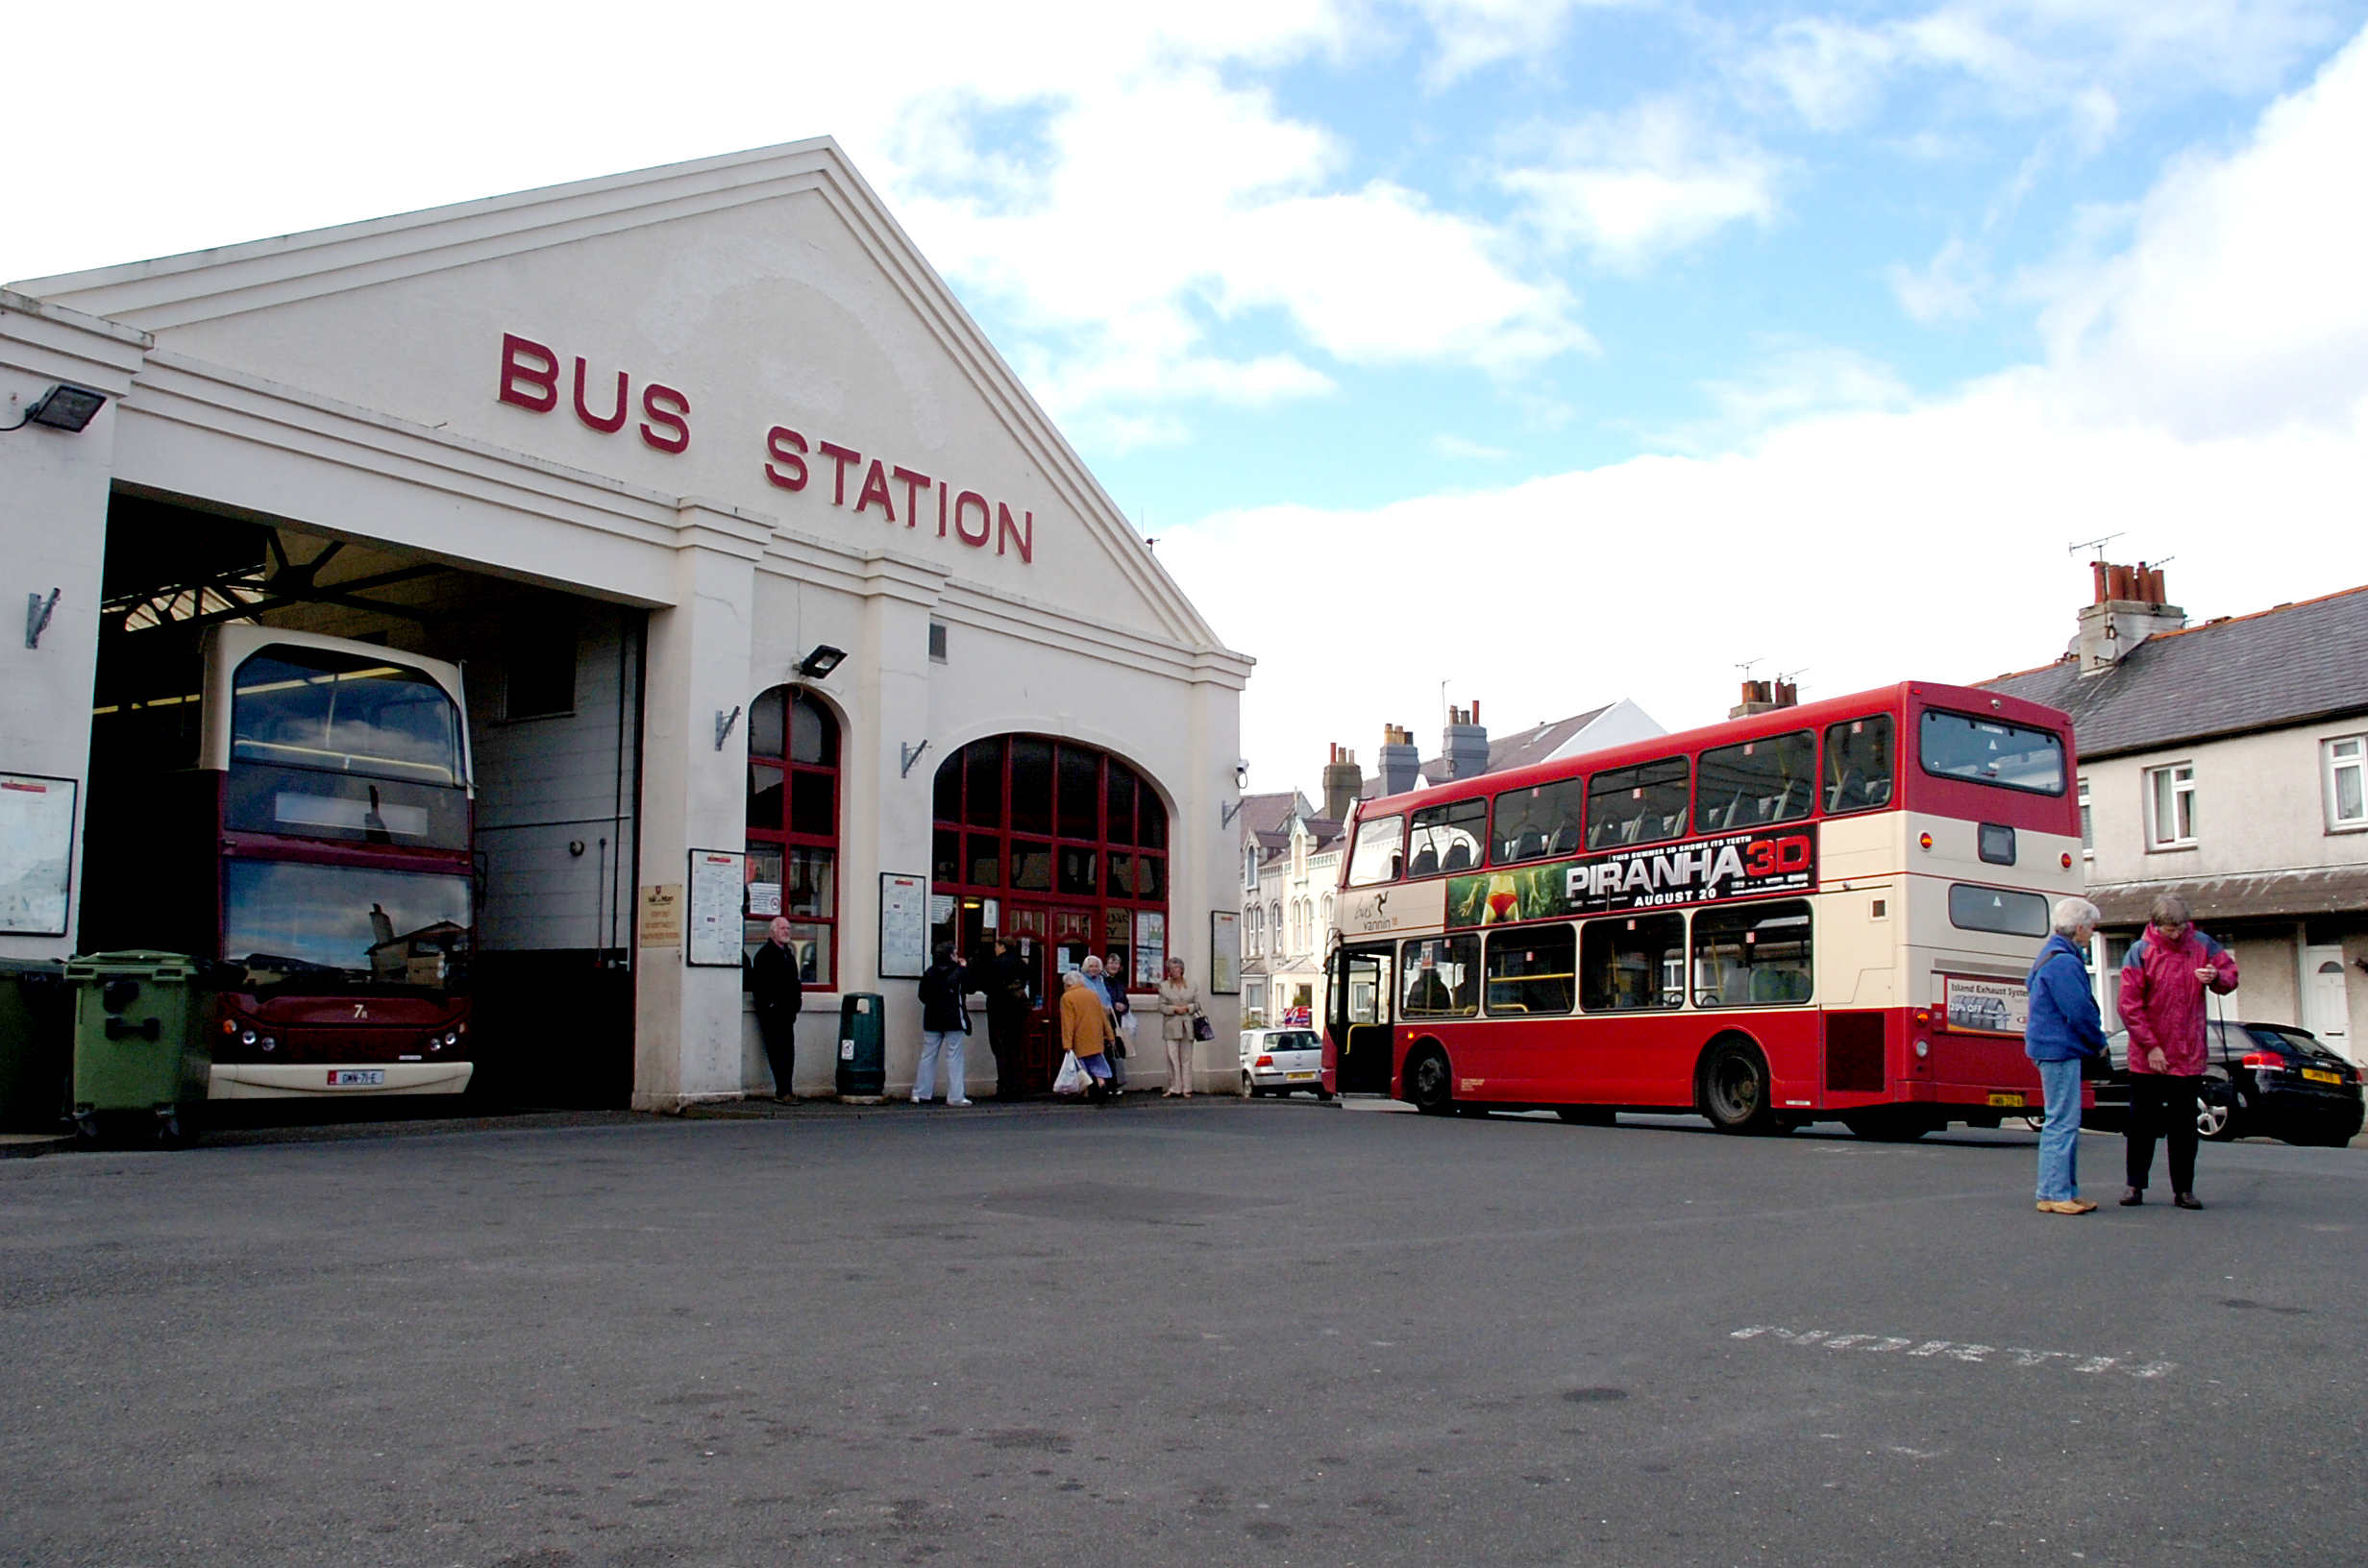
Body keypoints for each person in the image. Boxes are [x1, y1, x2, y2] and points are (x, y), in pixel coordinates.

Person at [2117, 891, 2239, 1209]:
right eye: (2169, 929)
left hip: (2188, 1054)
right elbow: (2129, 1007)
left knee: (2184, 1126)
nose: (2176, 933)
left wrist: (2216, 977)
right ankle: (2135, 1185)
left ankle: (2184, 1189)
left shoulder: (2201, 944)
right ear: (2156, 926)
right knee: (2141, 1123)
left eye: (2180, 927)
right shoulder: (2140, 952)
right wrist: (2151, 1047)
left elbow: (2230, 975)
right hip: (2148, 1058)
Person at [2026, 896, 2108, 1215]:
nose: (2091, 934)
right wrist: (2097, 1040)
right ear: (2079, 928)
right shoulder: (2065, 962)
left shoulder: (2051, 955)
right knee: (2062, 1121)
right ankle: (2054, 1192)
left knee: (2064, 1121)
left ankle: (2065, 1190)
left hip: (2050, 1047)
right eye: (2090, 928)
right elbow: (2079, 1010)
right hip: (2059, 1049)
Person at [749, 917, 802, 1100]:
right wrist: (771, 1006)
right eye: (782, 928)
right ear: (773, 931)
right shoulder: (765, 955)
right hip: (773, 1014)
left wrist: (796, 1004)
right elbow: (761, 987)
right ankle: (782, 1090)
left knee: (789, 1051)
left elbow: (795, 983)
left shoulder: (789, 955)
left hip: (788, 1013)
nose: (786, 931)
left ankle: (787, 1088)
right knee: (777, 1051)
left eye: (788, 928)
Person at [913, 941, 973, 1107]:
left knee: (928, 1055)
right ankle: (955, 1096)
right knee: (954, 1057)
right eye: (955, 953)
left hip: (932, 1017)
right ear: (951, 955)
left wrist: (932, 1005)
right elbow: (972, 986)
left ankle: (921, 1093)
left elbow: (921, 995)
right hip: (953, 1017)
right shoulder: (959, 971)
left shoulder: (929, 972)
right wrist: (964, 967)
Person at [984, 939, 1032, 1100]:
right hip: (1017, 1008)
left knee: (1000, 1049)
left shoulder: (994, 964)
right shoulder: (1022, 964)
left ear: (1002, 946)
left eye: (996, 946)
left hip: (998, 1009)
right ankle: (1016, 1087)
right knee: (1015, 1048)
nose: (995, 949)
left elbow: (986, 986)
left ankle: (1004, 1088)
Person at [1058, 968, 1116, 1104]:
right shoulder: (1093, 995)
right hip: (1096, 1036)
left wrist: (1067, 1043)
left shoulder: (1067, 997)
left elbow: (1068, 1022)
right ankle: (1102, 1085)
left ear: (1068, 984)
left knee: (1081, 1066)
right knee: (1097, 1063)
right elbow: (1103, 1017)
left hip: (1079, 1036)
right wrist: (1110, 1034)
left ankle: (1085, 1094)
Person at [1156, 955, 1202, 1097]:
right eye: (1171, 969)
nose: (1174, 971)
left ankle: (1187, 1088)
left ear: (1182, 969)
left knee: (1186, 1058)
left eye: (1177, 968)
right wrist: (1175, 1009)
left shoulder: (1192, 985)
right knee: (1172, 1057)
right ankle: (1174, 1087)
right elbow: (1161, 1007)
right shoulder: (1164, 986)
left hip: (1188, 1025)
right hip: (1171, 1025)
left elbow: (1198, 1004)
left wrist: (1188, 1007)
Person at [1083, 954, 1127, 1095]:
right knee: (1093, 1053)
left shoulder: (1101, 981)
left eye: (1096, 966)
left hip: (1108, 1020)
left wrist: (1121, 1007)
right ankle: (1094, 1085)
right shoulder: (1082, 980)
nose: (1094, 969)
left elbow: (1108, 998)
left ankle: (1109, 1084)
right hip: (1090, 1021)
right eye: (1091, 966)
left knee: (1109, 1052)